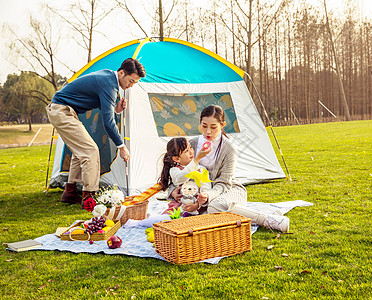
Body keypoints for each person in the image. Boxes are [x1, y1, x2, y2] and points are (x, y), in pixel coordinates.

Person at [168, 105, 290, 232]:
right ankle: (262, 213)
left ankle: (268, 219)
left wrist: (205, 198)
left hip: (228, 189)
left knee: (214, 207)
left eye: (213, 127)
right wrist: (172, 191)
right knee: (204, 217)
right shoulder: (191, 144)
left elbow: (224, 182)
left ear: (222, 125)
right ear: (200, 123)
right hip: (197, 194)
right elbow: (174, 170)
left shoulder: (229, 148)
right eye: (204, 126)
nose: (208, 131)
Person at [46, 58, 146, 208]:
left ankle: (70, 192)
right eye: (131, 81)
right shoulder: (110, 84)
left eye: (134, 83)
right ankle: (89, 198)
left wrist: (116, 109)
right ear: (122, 72)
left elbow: (104, 108)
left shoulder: (108, 78)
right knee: (90, 151)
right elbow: (108, 121)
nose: (130, 86)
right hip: (62, 110)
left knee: (80, 151)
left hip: (61, 110)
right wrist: (122, 146)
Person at [123, 137, 212, 228]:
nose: (191, 152)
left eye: (191, 148)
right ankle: (138, 223)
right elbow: (181, 178)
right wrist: (196, 160)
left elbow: (206, 188)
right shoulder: (175, 170)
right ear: (177, 159)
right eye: (186, 151)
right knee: (166, 222)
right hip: (179, 208)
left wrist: (198, 204)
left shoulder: (202, 169)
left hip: (197, 208)